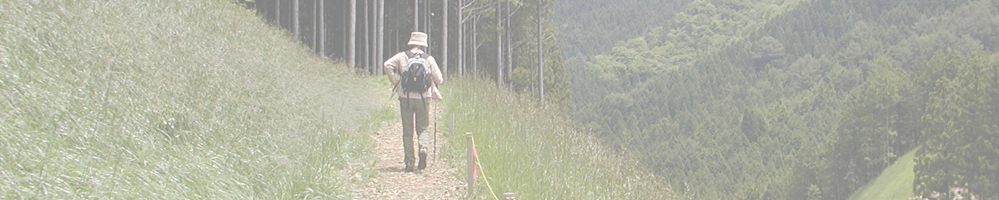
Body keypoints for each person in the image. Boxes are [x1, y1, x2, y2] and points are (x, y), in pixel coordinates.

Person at [383, 32, 443, 172]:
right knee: (423, 128)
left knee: (407, 130)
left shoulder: (402, 56)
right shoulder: (428, 58)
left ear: (411, 42)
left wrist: (396, 81)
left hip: (405, 97)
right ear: (423, 45)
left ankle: (409, 162)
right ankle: (423, 148)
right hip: (424, 97)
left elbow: (387, 65)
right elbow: (439, 79)